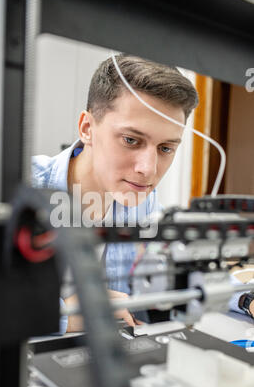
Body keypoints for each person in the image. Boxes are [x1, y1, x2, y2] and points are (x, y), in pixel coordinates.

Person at [32, 54, 253, 333]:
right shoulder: (16, 188)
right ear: (87, 128)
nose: (147, 170)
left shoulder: (139, 198)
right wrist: (69, 314)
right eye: (130, 140)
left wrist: (247, 298)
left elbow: (187, 270)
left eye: (165, 148)